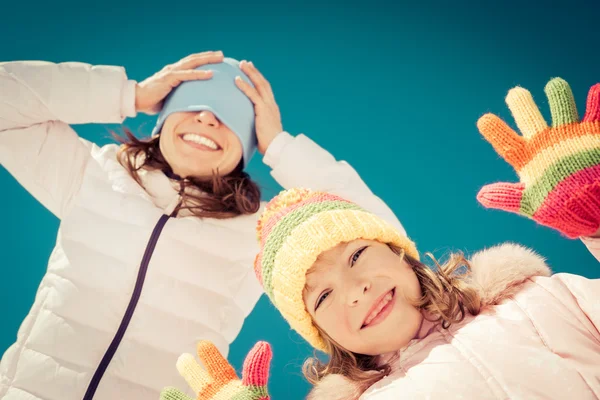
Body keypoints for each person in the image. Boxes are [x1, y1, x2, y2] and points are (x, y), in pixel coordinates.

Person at [161, 77, 600, 400]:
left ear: (399, 252)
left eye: (355, 257)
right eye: (323, 296)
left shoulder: (546, 300)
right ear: (321, 334)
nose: (355, 292)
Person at [0, 51, 403, 400]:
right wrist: (130, 94)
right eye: (193, 103)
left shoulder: (258, 232)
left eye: (231, 115)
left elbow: (380, 232)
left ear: (245, 147)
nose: (208, 116)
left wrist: (279, 144)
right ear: (164, 118)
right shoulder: (94, 173)